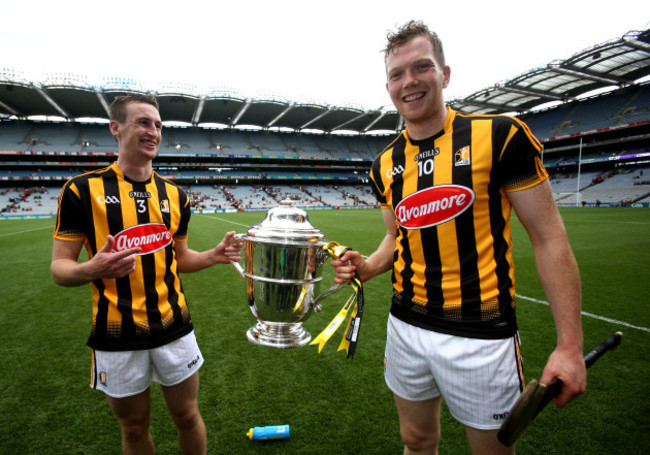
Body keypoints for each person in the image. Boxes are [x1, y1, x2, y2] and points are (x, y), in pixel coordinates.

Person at [330, 21, 586, 454]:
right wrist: (368, 265)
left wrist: (570, 346)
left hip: (482, 333)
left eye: (421, 67)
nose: (408, 81)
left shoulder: (500, 136)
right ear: (387, 86)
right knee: (415, 439)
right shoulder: (384, 164)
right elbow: (397, 238)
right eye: (397, 74)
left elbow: (549, 238)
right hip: (406, 325)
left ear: (445, 74)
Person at [50, 94, 241, 455]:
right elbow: (59, 269)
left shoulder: (176, 196)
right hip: (116, 332)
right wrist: (94, 268)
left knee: (187, 416)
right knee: (134, 428)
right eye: (143, 122)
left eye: (158, 125)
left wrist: (212, 256)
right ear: (115, 128)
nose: (153, 131)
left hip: (174, 325)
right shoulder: (80, 190)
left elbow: (181, 258)